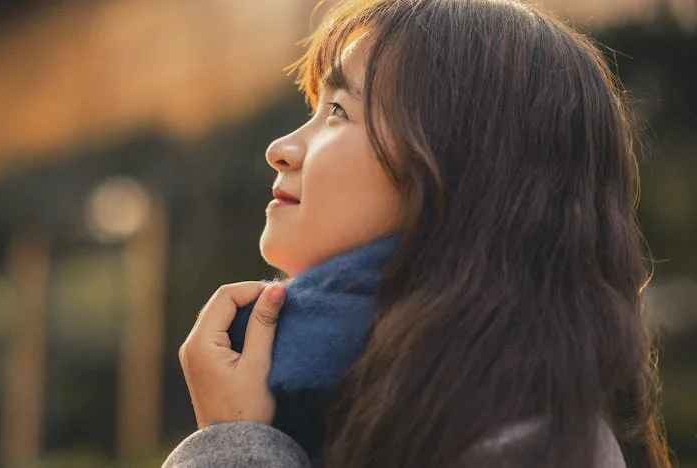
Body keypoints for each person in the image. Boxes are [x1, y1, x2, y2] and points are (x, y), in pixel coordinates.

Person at [167, 0, 671, 466]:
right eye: (314, 110)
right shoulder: (341, 389)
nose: (281, 148)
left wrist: (233, 441)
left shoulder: (529, 441)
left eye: (339, 111)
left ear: (460, 168)